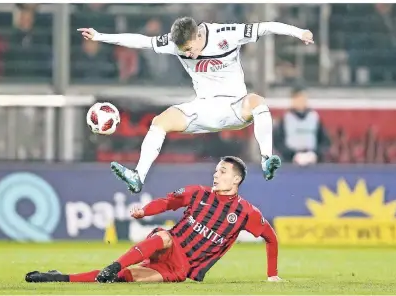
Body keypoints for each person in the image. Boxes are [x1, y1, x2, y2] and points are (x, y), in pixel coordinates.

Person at [78, 17, 314, 193]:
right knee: (159, 122)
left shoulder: (227, 34)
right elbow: (143, 42)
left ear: (199, 35)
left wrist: (299, 32)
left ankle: (266, 159)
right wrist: (100, 36)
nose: (189, 56)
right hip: (203, 108)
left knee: (258, 102)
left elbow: (266, 26)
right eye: (184, 52)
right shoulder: (175, 43)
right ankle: (138, 176)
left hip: (235, 107)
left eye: (190, 49)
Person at [25, 156, 281, 283]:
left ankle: (60, 277)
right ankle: (113, 264)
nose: (216, 175)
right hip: (170, 245)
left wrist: (272, 276)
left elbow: (271, 238)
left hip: (180, 270)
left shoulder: (247, 213)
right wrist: (144, 211)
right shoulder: (198, 193)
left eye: (222, 172)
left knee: (123, 279)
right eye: (215, 171)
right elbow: (168, 202)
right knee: (164, 237)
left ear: (236, 179)